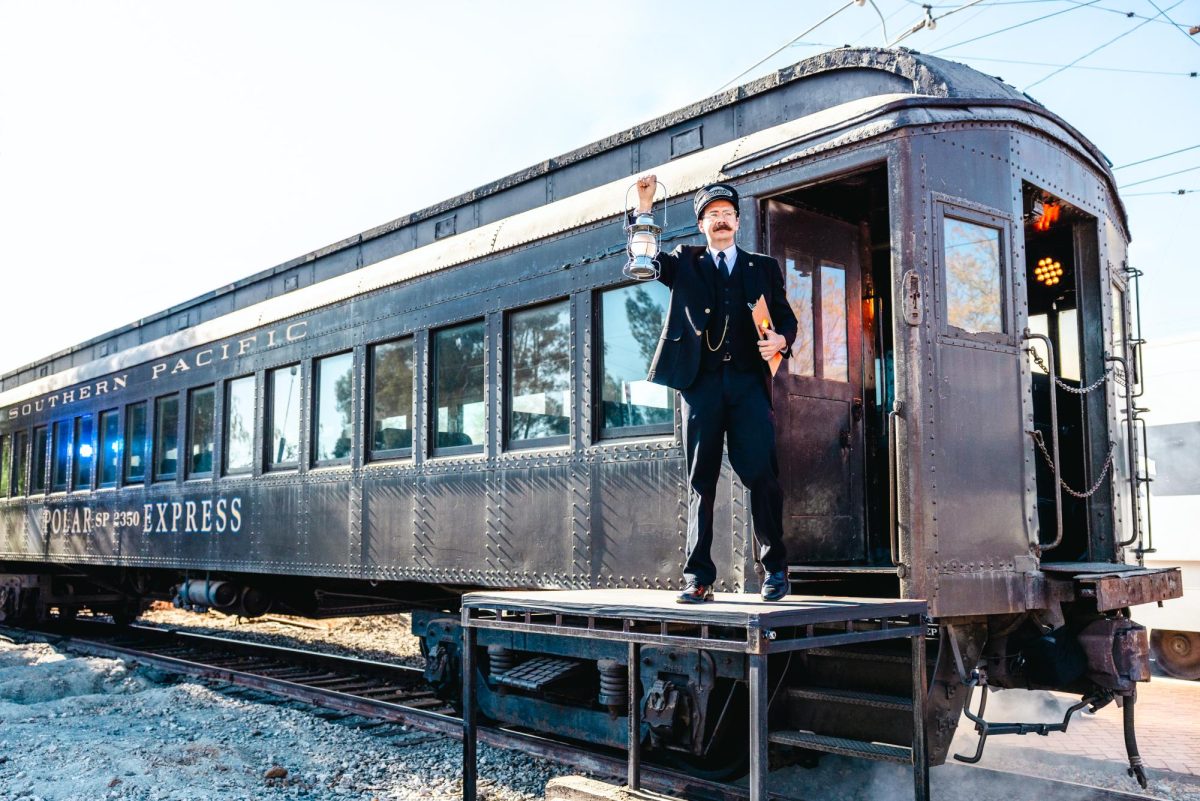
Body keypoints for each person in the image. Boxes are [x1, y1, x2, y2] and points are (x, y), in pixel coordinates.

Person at [631, 175, 798, 603]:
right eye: (712, 216)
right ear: (702, 225)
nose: (720, 222)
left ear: (738, 222)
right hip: (700, 385)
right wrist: (645, 209)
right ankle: (698, 578)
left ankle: (775, 570)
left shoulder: (762, 267)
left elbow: (786, 320)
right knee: (700, 481)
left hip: (747, 384)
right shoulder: (685, 261)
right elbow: (644, 257)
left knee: (762, 473)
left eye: (727, 215)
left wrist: (782, 340)